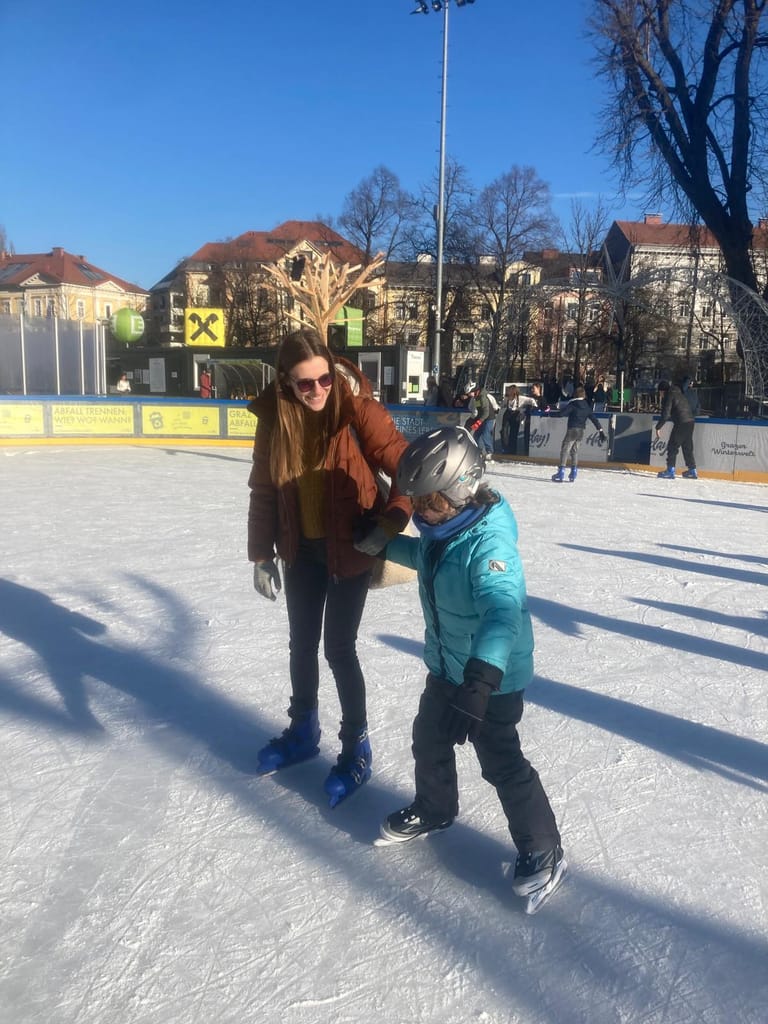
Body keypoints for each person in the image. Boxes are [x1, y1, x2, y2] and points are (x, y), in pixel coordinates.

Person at [375, 427, 565, 913]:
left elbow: (502, 612)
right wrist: (381, 544)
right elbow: (423, 556)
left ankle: (544, 849)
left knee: (500, 760)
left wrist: (481, 682)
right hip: (447, 666)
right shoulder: (444, 531)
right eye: (416, 502)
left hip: (492, 678)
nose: (421, 513)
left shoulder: (489, 545)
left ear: (462, 492)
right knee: (429, 738)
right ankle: (435, 808)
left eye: (430, 502)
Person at [247, 328, 411, 806]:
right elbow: (263, 490)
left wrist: (389, 524)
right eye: (305, 383)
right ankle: (303, 730)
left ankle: (357, 745)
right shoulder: (275, 419)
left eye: (324, 379)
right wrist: (261, 555)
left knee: (339, 649)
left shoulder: (357, 410)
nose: (318, 389)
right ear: (286, 382)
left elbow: (408, 469)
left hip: (351, 549)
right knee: (301, 644)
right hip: (300, 550)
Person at [548, 385, 606, 482]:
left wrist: (550, 413)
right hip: (581, 431)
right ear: (584, 395)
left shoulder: (573, 404)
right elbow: (594, 419)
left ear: (575, 395)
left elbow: (561, 414)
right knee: (574, 451)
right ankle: (574, 472)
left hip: (572, 430)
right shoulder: (586, 406)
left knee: (565, 450)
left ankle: (561, 472)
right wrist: (600, 430)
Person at [655, 379, 698, 479]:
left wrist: (658, 427)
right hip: (690, 421)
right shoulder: (678, 392)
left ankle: (670, 471)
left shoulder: (669, 395)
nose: (660, 395)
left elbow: (666, 414)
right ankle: (692, 471)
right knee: (687, 447)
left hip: (681, 422)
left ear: (662, 391)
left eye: (659, 393)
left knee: (672, 446)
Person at [463, 380, 496, 464]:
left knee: (485, 434)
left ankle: (490, 453)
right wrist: (475, 421)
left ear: (474, 390)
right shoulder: (476, 398)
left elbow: (486, 412)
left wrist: (479, 422)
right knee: (476, 435)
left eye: (469, 393)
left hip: (489, 418)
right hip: (482, 418)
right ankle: (479, 452)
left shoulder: (482, 397)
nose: (468, 395)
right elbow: (479, 411)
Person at [501, 385, 538, 456]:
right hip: (507, 414)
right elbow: (502, 405)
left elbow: (531, 400)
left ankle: (512, 451)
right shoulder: (506, 399)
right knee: (503, 431)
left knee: (513, 433)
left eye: (509, 391)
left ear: (513, 392)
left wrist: (535, 407)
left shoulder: (521, 398)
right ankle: (505, 448)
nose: (508, 393)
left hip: (516, 414)